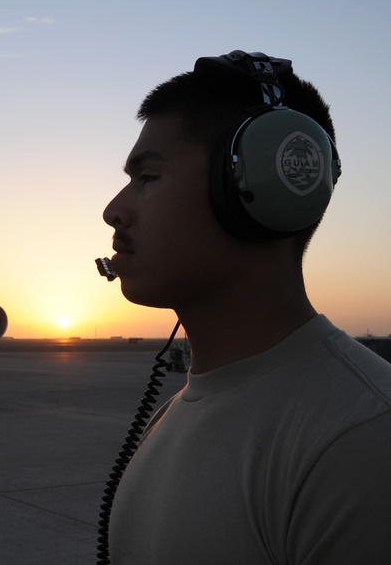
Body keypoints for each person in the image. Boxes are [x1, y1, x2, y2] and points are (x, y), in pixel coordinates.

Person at [99, 51, 391, 564]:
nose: (113, 210)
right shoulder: (176, 413)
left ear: (260, 188)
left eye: (147, 178)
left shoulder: (362, 442)